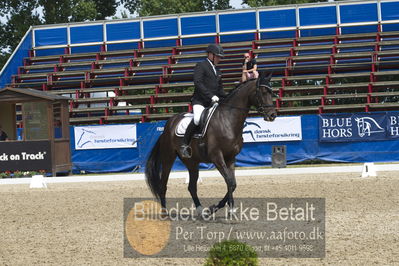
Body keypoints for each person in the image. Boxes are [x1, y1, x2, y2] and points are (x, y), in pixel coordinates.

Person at [180, 44, 227, 158]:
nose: (219, 59)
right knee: (197, 119)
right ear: (211, 55)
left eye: (220, 57)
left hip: (213, 102)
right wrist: (211, 96)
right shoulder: (201, 65)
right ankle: (184, 145)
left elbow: (220, 88)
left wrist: (226, 98)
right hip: (200, 101)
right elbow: (198, 83)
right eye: (218, 57)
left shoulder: (217, 70)